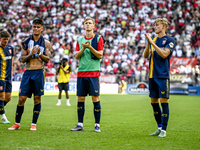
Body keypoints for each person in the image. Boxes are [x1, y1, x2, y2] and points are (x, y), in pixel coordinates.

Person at [8, 18, 51, 131]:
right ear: (32, 28)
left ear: (42, 28)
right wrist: (31, 54)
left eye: (38, 27)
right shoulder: (26, 42)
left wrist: (39, 54)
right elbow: (22, 59)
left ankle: (33, 124)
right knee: (21, 99)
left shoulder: (46, 43)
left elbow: (47, 59)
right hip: (27, 72)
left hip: (38, 72)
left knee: (37, 99)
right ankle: (17, 123)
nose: (36, 28)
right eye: (34, 26)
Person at [70, 18, 104, 132]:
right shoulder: (79, 40)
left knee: (95, 98)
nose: (88, 25)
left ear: (93, 26)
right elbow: (76, 56)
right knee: (80, 98)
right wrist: (84, 47)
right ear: (83, 26)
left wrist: (90, 47)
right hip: (81, 72)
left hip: (94, 72)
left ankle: (97, 125)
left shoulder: (98, 38)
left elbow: (100, 55)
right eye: (86, 23)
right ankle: (80, 124)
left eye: (90, 23)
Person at [143, 18, 175, 137]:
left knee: (163, 101)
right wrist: (148, 43)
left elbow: (164, 54)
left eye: (157, 25)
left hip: (162, 75)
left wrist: (152, 43)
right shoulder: (154, 40)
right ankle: (159, 127)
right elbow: (146, 55)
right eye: (154, 25)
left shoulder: (169, 40)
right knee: (153, 101)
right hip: (152, 75)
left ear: (163, 27)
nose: (155, 27)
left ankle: (164, 130)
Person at [0, 29, 14, 124]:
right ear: (0, 38)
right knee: (2, 96)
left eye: (7, 39)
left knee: (8, 98)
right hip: (1, 77)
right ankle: (3, 117)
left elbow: (11, 60)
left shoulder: (10, 48)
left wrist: (12, 71)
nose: (6, 41)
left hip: (9, 77)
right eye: (4, 39)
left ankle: (1, 109)